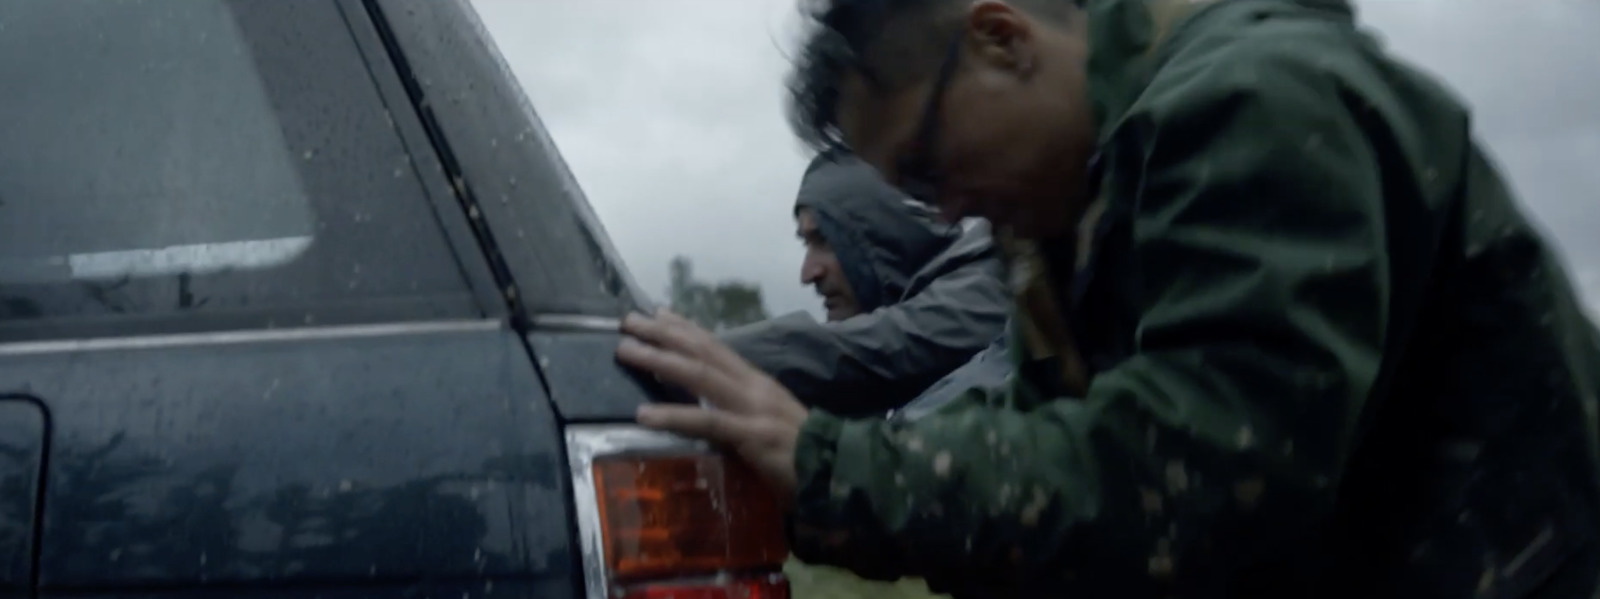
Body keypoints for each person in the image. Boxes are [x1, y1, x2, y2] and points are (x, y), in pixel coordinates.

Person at [615, 0, 1600, 596]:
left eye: (926, 164)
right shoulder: (1069, 214)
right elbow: (1055, 440)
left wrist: (830, 466)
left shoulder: (1251, 103)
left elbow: (1188, 474)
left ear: (1000, 38)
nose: (943, 205)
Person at [720, 150, 1010, 417]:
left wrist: (695, 362)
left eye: (824, 241)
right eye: (806, 244)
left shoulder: (996, 285)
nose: (808, 274)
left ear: (887, 236)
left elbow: (885, 348)